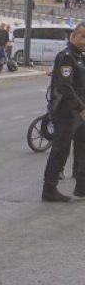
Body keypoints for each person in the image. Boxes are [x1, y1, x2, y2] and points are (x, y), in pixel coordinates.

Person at [41, 22, 85, 203]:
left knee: (82, 150)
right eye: (82, 36)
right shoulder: (66, 57)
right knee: (61, 150)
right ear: (73, 37)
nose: (84, 40)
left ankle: (82, 187)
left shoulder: (80, 57)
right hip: (67, 111)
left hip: (80, 111)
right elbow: (65, 87)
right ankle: (49, 189)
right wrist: (80, 108)